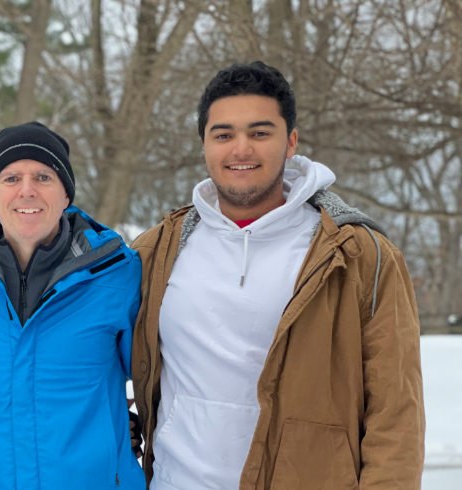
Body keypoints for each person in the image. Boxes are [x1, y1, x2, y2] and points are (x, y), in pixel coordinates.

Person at [130, 61, 424, 489]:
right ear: (205, 145)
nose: (241, 149)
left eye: (260, 133)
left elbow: (396, 414)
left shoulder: (358, 255)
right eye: (224, 134)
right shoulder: (155, 251)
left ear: (291, 143)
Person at [0, 122, 145, 489]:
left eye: (43, 176)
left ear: (66, 195)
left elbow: (159, 379)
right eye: (10, 178)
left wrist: (119, 430)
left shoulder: (118, 273)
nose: (27, 191)